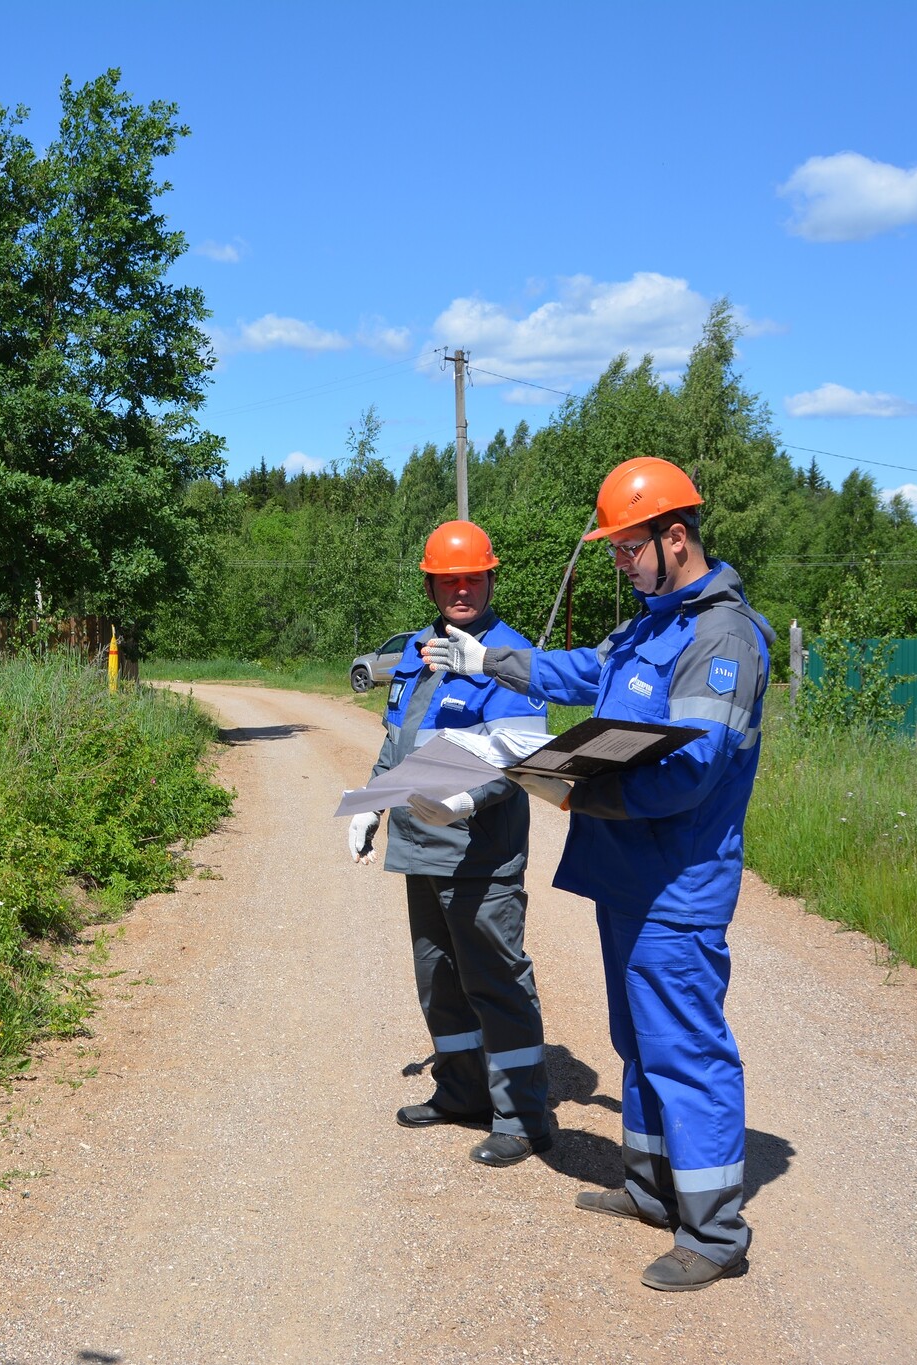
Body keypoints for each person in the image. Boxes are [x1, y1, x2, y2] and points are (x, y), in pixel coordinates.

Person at [422, 457, 773, 1292]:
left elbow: (691, 770)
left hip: (677, 885)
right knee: (637, 1041)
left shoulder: (720, 637)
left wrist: (579, 791)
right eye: (613, 549)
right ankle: (654, 1189)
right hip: (628, 880)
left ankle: (715, 1231)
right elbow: (580, 673)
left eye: (626, 548)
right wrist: (490, 663)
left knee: (685, 1049)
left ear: (674, 537)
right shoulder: (655, 620)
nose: (618, 563)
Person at [349, 519, 554, 1167]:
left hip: (480, 851)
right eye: (448, 579)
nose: (460, 589)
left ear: (490, 578)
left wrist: (469, 797)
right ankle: (462, 1090)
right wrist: (371, 806)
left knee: (495, 977)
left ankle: (522, 1116)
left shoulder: (510, 657)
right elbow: (397, 743)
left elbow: (519, 755)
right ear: (432, 585)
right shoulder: (416, 651)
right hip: (418, 844)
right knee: (438, 977)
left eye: (472, 577)